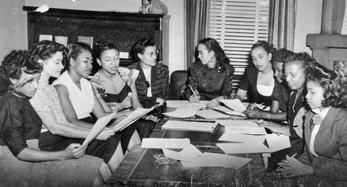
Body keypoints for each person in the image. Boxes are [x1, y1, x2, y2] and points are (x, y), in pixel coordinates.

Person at [0, 50, 104, 186]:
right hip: (15, 166)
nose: (36, 86)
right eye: (30, 80)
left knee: (95, 166)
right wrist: (63, 155)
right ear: (13, 78)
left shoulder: (23, 97)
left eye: (37, 79)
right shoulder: (10, 103)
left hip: (29, 157)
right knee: (92, 172)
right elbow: (21, 152)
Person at [29, 40, 125, 175]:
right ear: (41, 62)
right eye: (57, 62)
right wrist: (95, 134)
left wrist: (96, 132)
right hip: (47, 143)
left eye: (62, 62)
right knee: (106, 143)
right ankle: (123, 179)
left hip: (59, 137)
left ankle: (123, 179)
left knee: (109, 141)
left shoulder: (50, 88)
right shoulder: (34, 89)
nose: (62, 66)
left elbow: (64, 122)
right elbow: (55, 127)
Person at [53, 42, 140, 157]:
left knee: (128, 127)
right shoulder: (61, 86)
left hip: (91, 123)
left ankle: (137, 165)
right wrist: (106, 128)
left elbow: (101, 114)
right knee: (111, 139)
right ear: (73, 62)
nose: (90, 66)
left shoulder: (86, 83)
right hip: (77, 130)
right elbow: (72, 121)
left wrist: (123, 117)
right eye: (85, 61)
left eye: (91, 62)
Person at [277, 62, 347, 182]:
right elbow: (308, 154)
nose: (306, 97)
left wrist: (309, 170)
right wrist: (295, 165)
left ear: (327, 93)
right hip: (316, 177)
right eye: (306, 92)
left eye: (312, 92)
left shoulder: (343, 121)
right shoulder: (309, 115)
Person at [91, 39, 156, 139]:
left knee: (149, 124)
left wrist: (142, 113)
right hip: (111, 123)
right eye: (108, 60)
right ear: (99, 61)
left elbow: (135, 103)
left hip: (130, 118)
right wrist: (126, 114)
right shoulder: (95, 84)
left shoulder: (126, 74)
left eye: (116, 58)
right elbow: (106, 115)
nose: (114, 63)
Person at [267, 52, 314, 171]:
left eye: (293, 75)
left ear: (307, 75)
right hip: (294, 142)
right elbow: (295, 128)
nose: (287, 79)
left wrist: (279, 128)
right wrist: (276, 128)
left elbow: (306, 136)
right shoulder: (293, 94)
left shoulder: (310, 100)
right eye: (286, 74)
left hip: (304, 150)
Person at [182, 38, 235, 108]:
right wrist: (190, 97)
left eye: (201, 53)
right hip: (199, 105)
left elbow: (227, 93)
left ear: (212, 53)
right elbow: (189, 90)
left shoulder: (227, 69)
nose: (198, 56)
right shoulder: (195, 68)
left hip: (218, 105)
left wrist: (220, 99)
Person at [244, 48, 293, 121]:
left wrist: (263, 114)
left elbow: (293, 115)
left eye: (279, 70)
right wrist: (257, 112)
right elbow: (273, 112)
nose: (275, 74)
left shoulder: (296, 87)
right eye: (274, 69)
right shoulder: (279, 85)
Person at [128, 37, 169, 118]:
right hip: (137, 108)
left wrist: (153, 101)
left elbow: (165, 95)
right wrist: (154, 99)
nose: (155, 57)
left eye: (156, 52)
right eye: (151, 54)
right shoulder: (131, 71)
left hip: (157, 108)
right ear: (140, 56)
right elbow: (131, 98)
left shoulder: (162, 70)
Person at [234, 41, 276, 108]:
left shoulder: (279, 73)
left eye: (260, 57)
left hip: (275, 115)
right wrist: (236, 105)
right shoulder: (250, 72)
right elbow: (239, 95)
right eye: (254, 58)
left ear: (270, 56)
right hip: (255, 115)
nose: (257, 61)